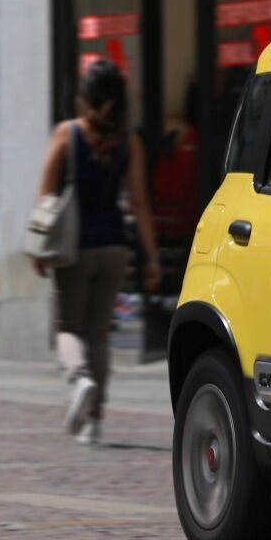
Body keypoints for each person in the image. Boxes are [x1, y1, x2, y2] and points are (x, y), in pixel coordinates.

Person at [34, 60, 160, 446]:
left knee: (68, 329)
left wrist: (38, 247)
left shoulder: (66, 134)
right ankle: (94, 422)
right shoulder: (129, 141)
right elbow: (139, 202)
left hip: (75, 249)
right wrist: (152, 256)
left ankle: (79, 380)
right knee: (99, 335)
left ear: (84, 96)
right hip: (115, 248)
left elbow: (45, 193)